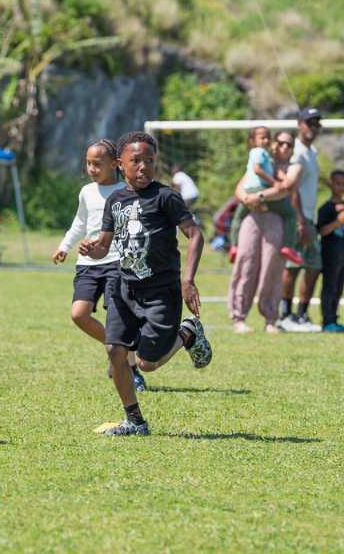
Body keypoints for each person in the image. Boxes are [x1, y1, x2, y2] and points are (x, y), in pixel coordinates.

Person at [79, 131, 212, 437]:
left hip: (160, 293)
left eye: (149, 161)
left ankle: (188, 333)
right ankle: (135, 420)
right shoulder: (115, 200)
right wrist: (92, 248)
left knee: (147, 364)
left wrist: (188, 280)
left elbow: (195, 235)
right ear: (119, 164)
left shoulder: (165, 197)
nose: (143, 167)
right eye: (135, 161)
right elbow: (105, 246)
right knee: (114, 350)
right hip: (124, 289)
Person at [52, 138, 146, 392]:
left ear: (115, 164)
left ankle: (129, 368)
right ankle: (119, 349)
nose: (92, 169)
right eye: (88, 164)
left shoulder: (125, 192)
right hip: (87, 265)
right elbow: (79, 223)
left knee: (118, 320)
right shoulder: (86, 192)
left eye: (97, 164)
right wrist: (64, 246)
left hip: (117, 263)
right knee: (78, 314)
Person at [227, 126, 302, 266]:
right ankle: (288, 246)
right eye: (280, 143)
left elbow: (285, 186)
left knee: (238, 217)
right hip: (255, 199)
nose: (284, 147)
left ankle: (233, 245)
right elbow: (248, 179)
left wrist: (257, 197)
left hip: (260, 205)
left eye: (289, 144)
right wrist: (248, 198)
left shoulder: (290, 165)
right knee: (290, 214)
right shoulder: (260, 154)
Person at [279, 108, 324, 332]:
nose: (313, 127)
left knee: (313, 266)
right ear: (299, 124)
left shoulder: (311, 151)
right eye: (309, 122)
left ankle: (301, 315)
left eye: (317, 123)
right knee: (294, 267)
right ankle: (286, 316)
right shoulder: (296, 152)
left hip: (309, 217)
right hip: (299, 218)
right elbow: (291, 188)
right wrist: (300, 221)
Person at [316, 170, 344, 332]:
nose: (340, 187)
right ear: (330, 184)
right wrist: (338, 221)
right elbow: (322, 231)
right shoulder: (326, 208)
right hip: (330, 254)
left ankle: (334, 319)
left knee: (339, 288)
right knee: (330, 286)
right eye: (337, 183)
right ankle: (327, 321)